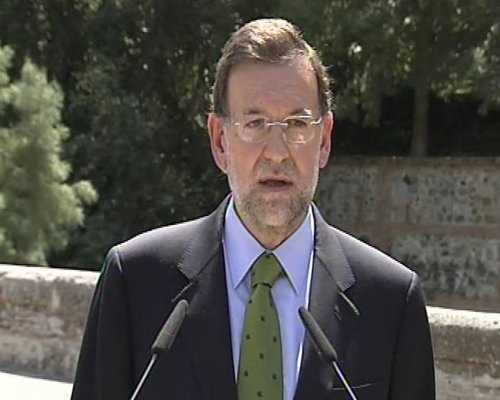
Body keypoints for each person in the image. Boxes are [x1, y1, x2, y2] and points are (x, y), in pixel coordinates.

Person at [71, 18, 435, 400]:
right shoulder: (135, 281)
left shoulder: (391, 301)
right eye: (255, 123)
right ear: (219, 141)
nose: (277, 152)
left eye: (297, 123)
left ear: (324, 140)